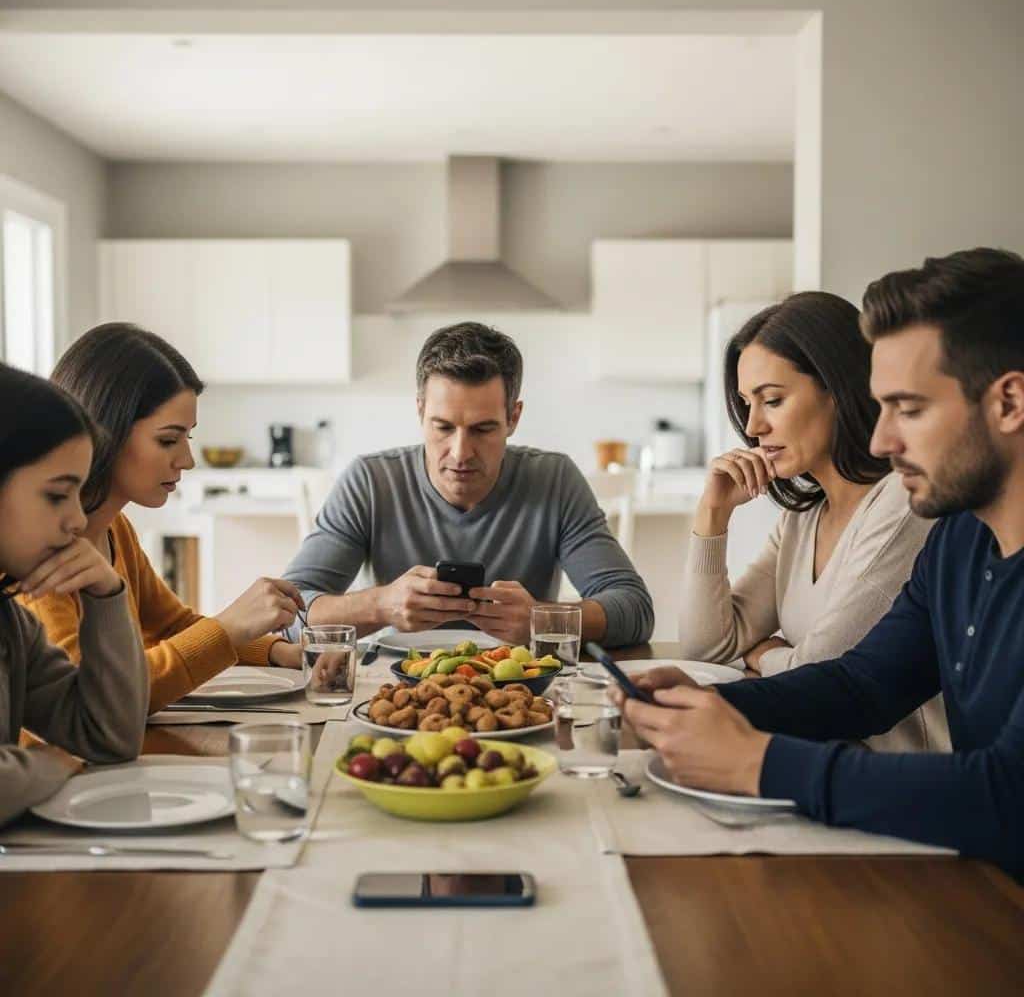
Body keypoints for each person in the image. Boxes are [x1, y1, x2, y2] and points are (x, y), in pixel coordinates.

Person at [615, 248, 1024, 881]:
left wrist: (756, 762)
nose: (882, 439)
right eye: (881, 407)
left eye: (909, 408)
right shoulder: (960, 539)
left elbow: (1008, 796)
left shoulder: (927, 521)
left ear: (1010, 402)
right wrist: (707, 704)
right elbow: (865, 685)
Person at [681, 292, 946, 751]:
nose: (753, 426)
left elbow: (822, 675)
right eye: (746, 403)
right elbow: (706, 648)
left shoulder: (902, 506)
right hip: (826, 757)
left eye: (773, 400)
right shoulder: (802, 518)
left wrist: (765, 654)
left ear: (838, 391)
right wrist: (713, 515)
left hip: (900, 775)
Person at [284, 321, 653, 647]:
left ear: (513, 417)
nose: (460, 453)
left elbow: (634, 608)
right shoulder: (370, 482)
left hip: (521, 687)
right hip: (391, 686)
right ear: (420, 411)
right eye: (443, 427)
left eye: (483, 429)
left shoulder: (554, 480)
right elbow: (287, 615)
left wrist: (542, 620)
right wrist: (380, 606)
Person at [21, 324, 304, 713]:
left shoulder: (115, 528)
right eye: (168, 440)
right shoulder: (37, 552)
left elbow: (170, 626)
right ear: (104, 432)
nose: (187, 460)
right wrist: (228, 628)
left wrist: (278, 651)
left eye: (188, 438)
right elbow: (87, 703)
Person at [0, 364, 147, 824]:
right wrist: (52, 764)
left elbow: (109, 737)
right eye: (56, 496)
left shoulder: (11, 624)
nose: (79, 521)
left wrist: (106, 594)